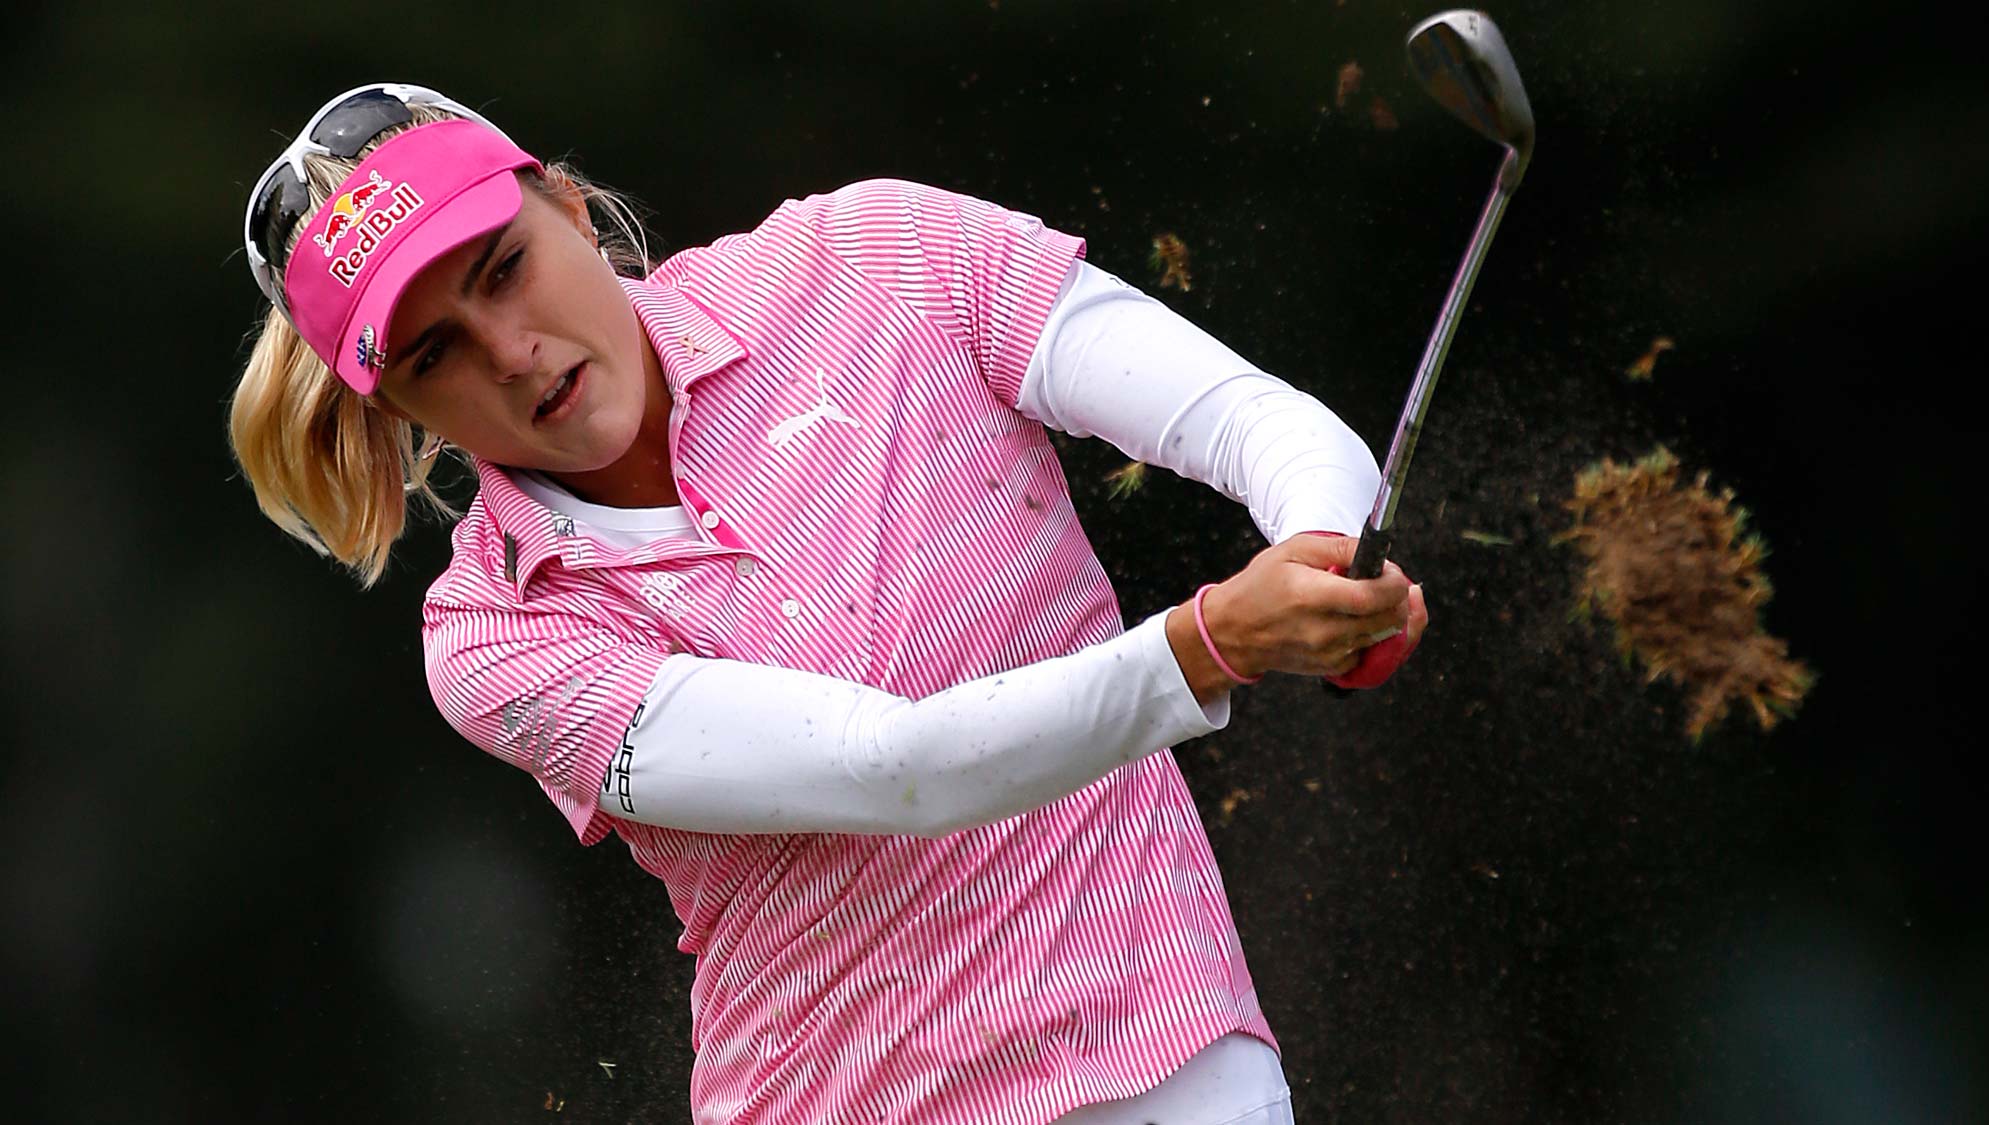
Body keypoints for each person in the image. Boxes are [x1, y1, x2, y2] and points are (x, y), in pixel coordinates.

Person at [229, 82, 1428, 1125]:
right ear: (395, 410)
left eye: (505, 269)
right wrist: (1213, 643)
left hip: (1168, 1060)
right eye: (435, 351)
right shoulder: (498, 639)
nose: (508, 351)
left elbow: (1252, 421)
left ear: (572, 210)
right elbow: (891, 772)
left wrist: (1327, 555)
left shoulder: (874, 258)